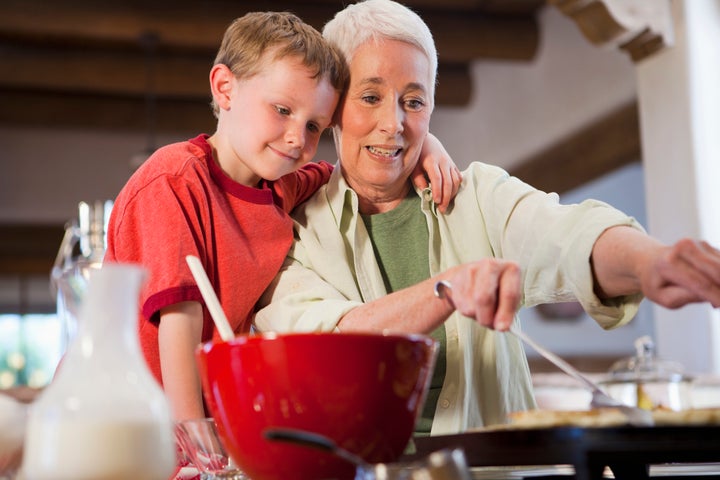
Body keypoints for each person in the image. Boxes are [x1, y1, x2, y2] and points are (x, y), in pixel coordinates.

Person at [255, 0, 720, 436]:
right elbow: (327, 344)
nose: (393, 123)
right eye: (370, 97)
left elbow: (568, 236)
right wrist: (448, 289)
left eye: (413, 102)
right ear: (334, 107)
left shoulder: (477, 197)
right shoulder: (297, 231)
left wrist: (649, 263)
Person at [105, 11, 460, 423]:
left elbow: (351, 173)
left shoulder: (281, 187)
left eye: (314, 125)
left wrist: (425, 143)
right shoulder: (173, 181)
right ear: (224, 88)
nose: (297, 138)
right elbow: (180, 326)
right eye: (282, 109)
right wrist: (195, 447)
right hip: (126, 424)